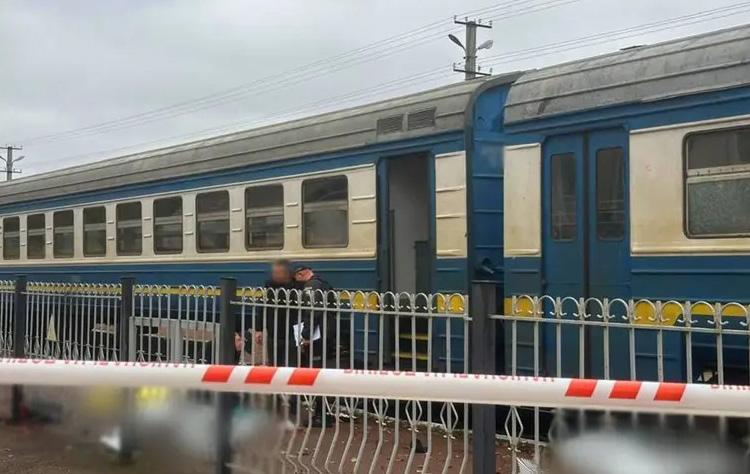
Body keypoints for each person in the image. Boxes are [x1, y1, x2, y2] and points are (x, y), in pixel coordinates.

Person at [293, 266, 335, 369]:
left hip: (317, 333)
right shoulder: (323, 283)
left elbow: (312, 312)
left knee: (313, 363)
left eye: (296, 278)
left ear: (300, 274)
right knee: (322, 362)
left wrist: (307, 335)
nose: (296, 282)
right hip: (326, 329)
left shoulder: (310, 286)